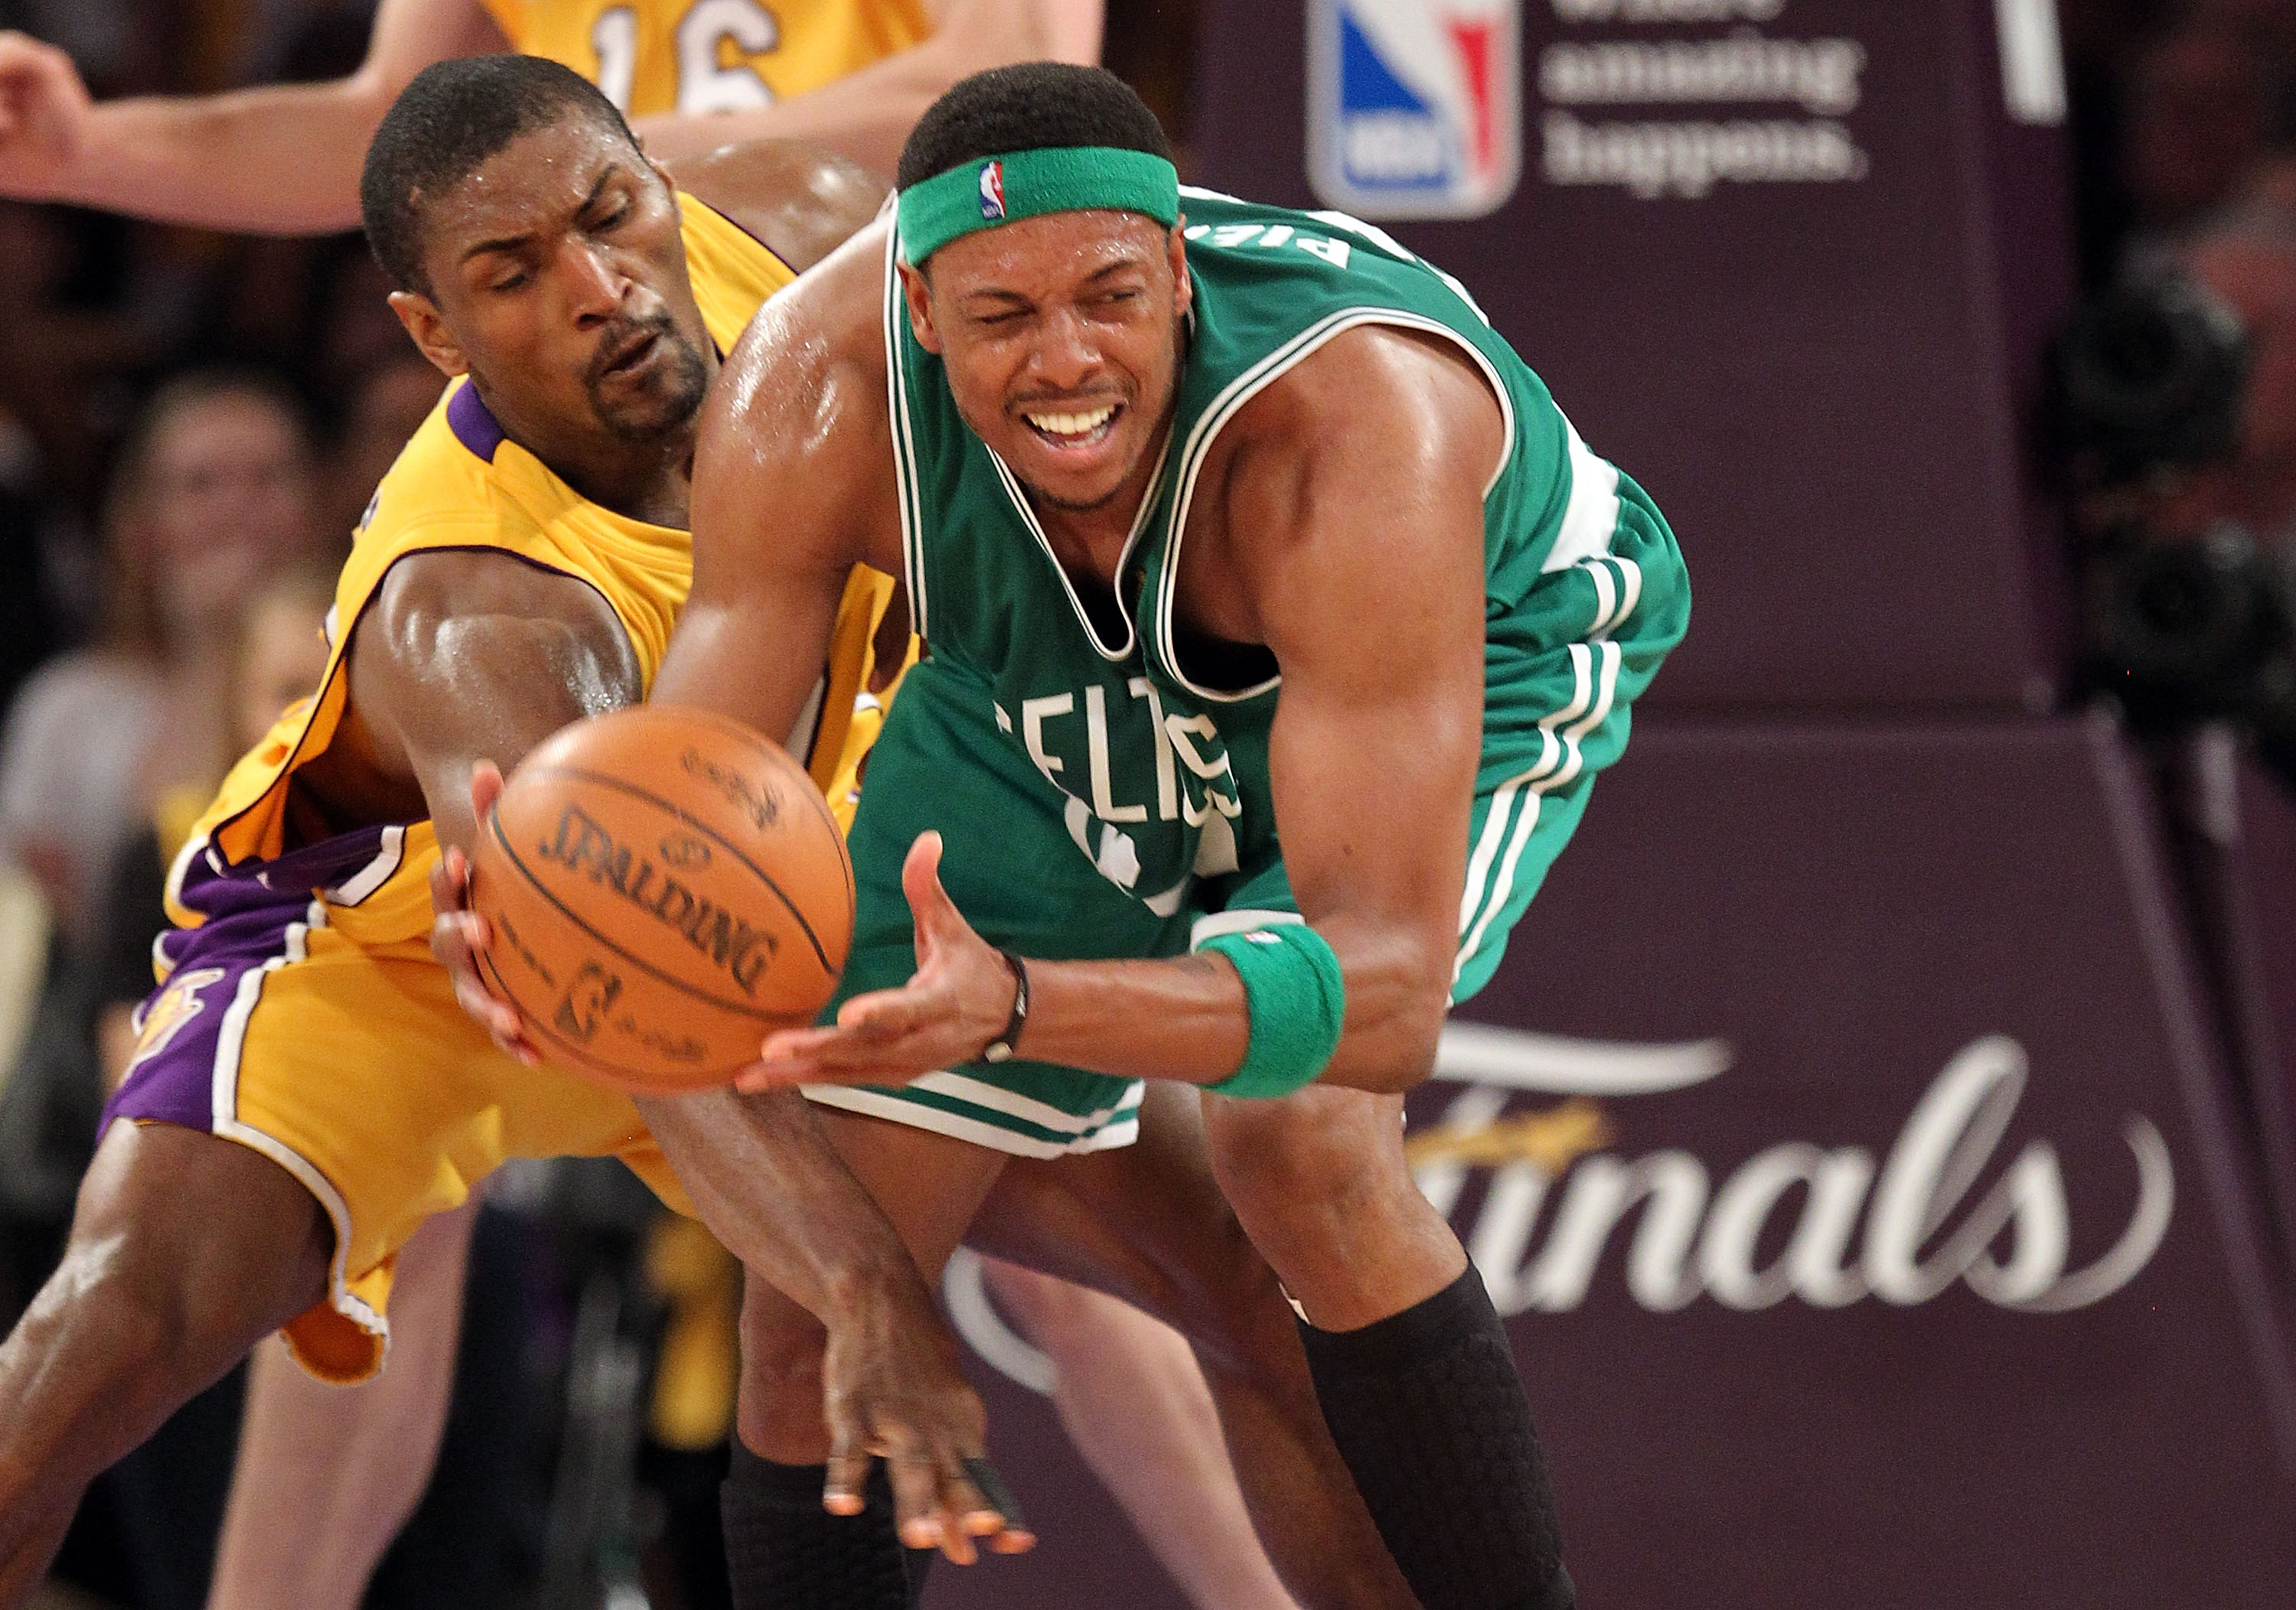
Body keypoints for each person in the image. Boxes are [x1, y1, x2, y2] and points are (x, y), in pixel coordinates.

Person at [0, 58, 1384, 1610]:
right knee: (105, 1340)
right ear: (435, 335)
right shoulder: (479, 612)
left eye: (610, 216)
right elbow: (632, 998)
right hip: (402, 967)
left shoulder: (803, 240)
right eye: (513, 275)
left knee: (1249, 1267)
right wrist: (868, 1285)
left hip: (746, 917)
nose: (598, 287)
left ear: (658, 183)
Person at [443, 61, 1690, 1610]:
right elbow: (684, 805)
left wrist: (1022, 1003)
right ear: (915, 310)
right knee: (809, 1315)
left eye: (1109, 298)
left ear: (1177, 271)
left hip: (1479, 643)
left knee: (1296, 1139)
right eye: (1003, 318)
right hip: (1038, 666)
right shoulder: (809, 390)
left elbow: (1380, 996)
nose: (1067, 360)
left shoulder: (1353, 427)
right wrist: (554, 921)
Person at [0, 0, 1101, 233]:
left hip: (897, 363)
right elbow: (393, 128)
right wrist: (84, 151)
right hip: (624, 375)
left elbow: (1013, 92)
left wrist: (575, 155)